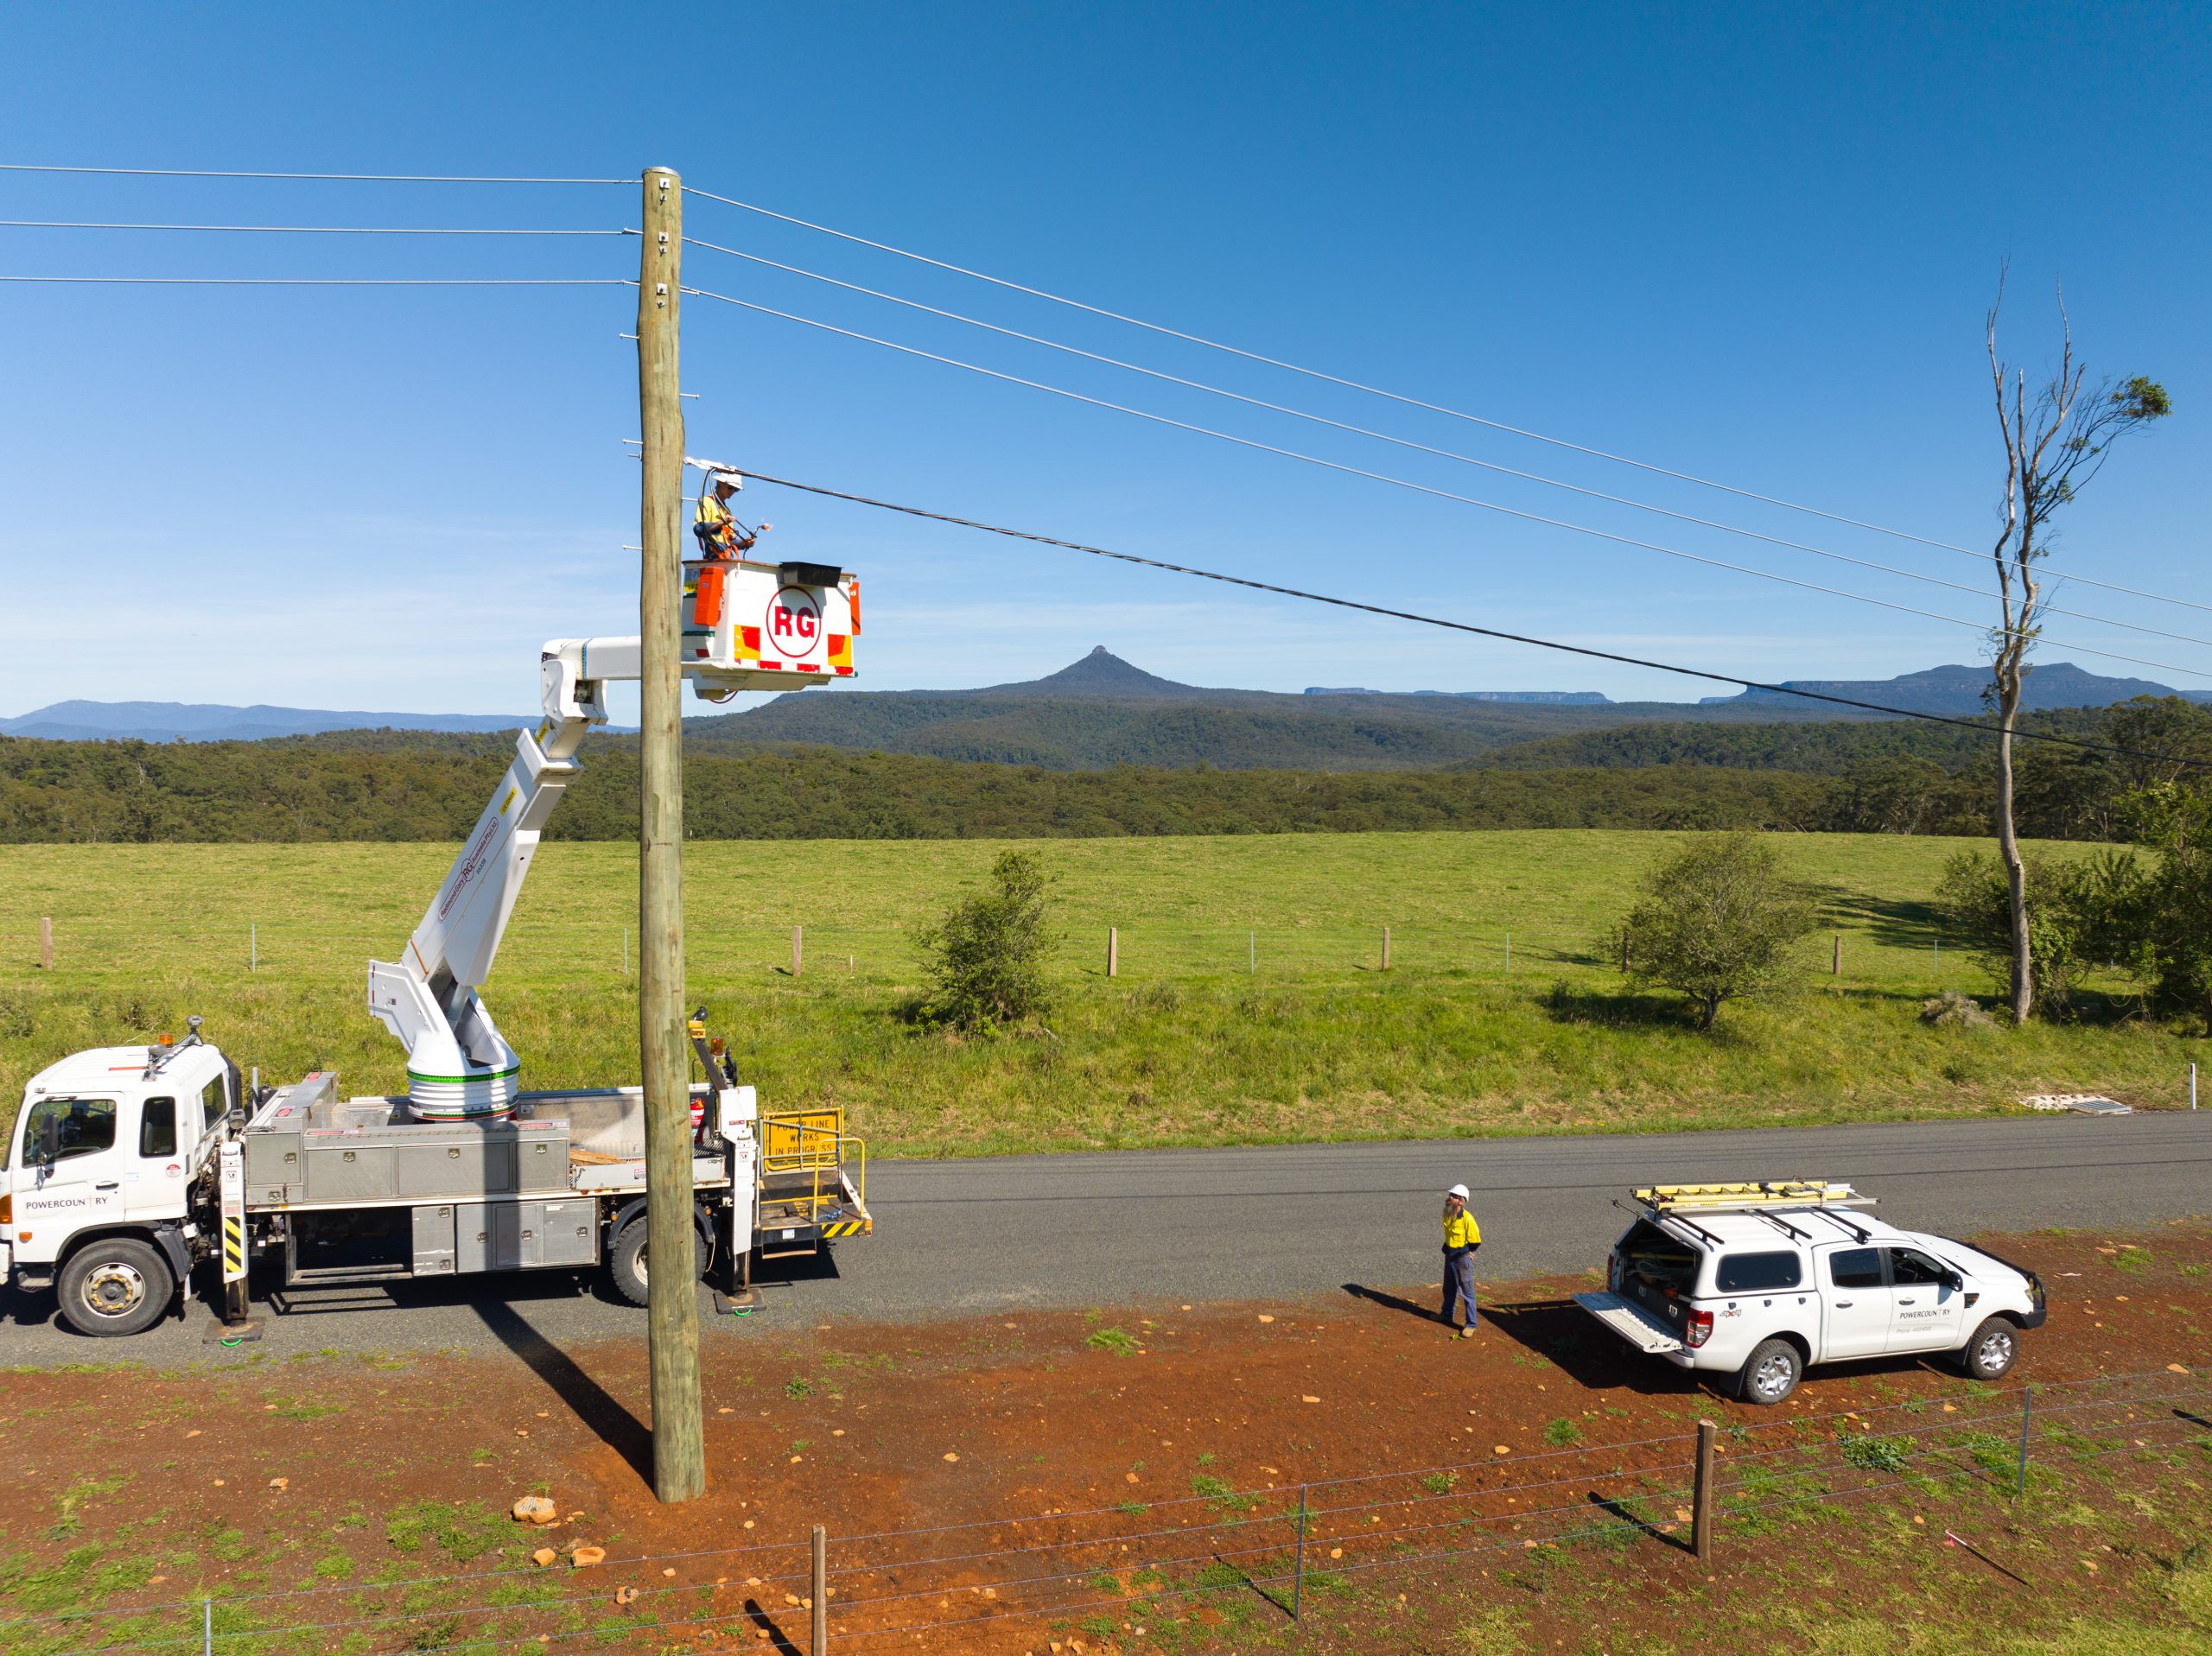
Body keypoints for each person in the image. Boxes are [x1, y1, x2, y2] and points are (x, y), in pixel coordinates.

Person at [1440, 1183, 1482, 1336]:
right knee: (1448, 1288)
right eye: (1450, 1195)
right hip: (1449, 1256)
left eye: (1454, 1196)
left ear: (1462, 1201)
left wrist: (1470, 1252)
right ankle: (1446, 1315)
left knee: (1467, 1292)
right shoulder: (1447, 1213)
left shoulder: (1468, 1219)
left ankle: (1471, 1324)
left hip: (1462, 1259)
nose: (1450, 1198)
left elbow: (1475, 1240)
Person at [692, 470, 763, 560]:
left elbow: (729, 541)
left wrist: (743, 543)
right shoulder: (706, 501)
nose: (732, 491)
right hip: (713, 556)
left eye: (736, 489)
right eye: (730, 487)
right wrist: (723, 522)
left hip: (726, 556)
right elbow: (699, 529)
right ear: (720, 483)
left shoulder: (727, 510)